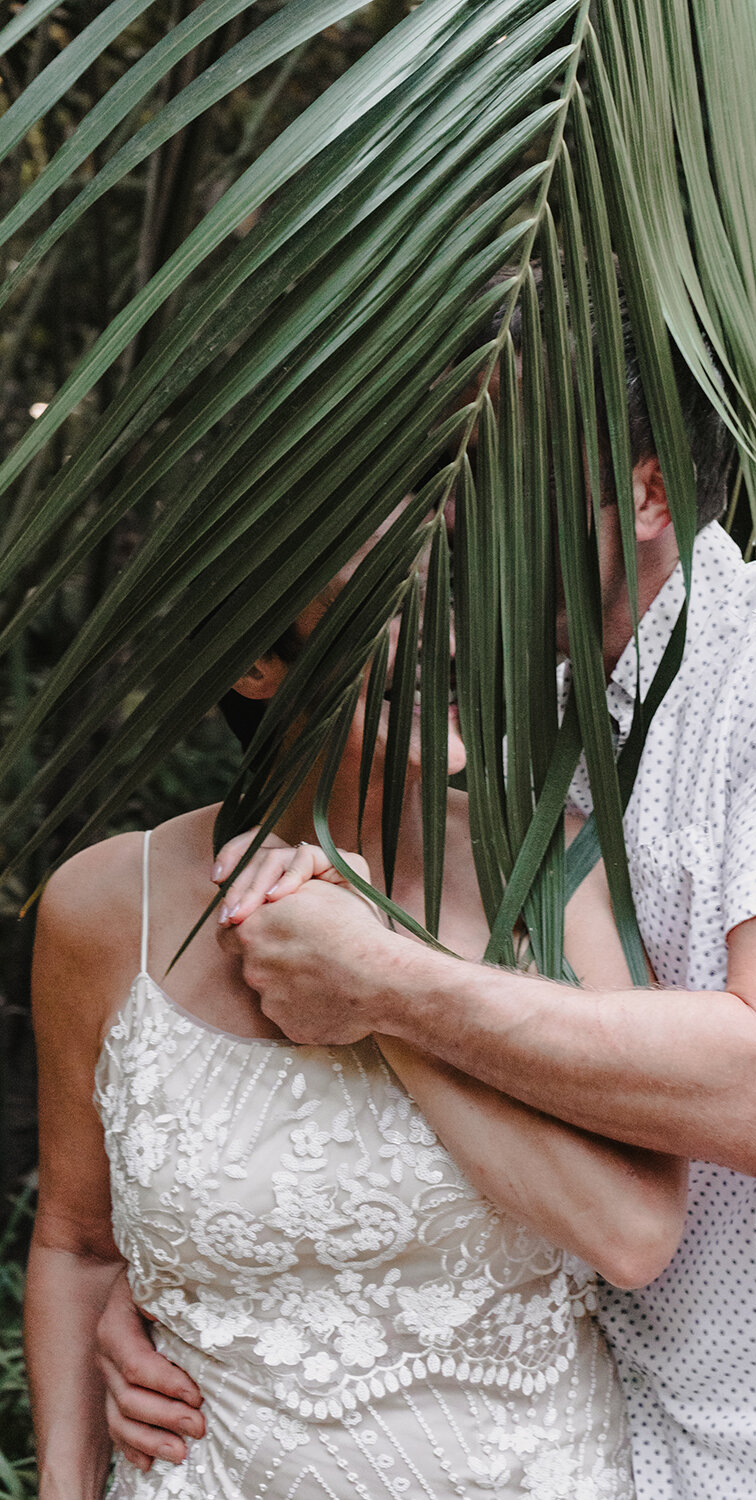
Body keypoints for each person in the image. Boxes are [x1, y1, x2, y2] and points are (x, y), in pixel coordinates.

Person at [100, 275, 756, 1494]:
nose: (447, 507)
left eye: (494, 467)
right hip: (585, 1444)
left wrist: (385, 984)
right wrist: (174, 1290)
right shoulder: (481, 717)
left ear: (642, 492)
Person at [25, 547, 690, 1500]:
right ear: (258, 660)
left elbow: (631, 1232)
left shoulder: (559, 875)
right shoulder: (103, 904)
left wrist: (377, 989)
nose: (455, 645)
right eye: (394, 608)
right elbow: (78, 1245)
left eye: (465, 594)